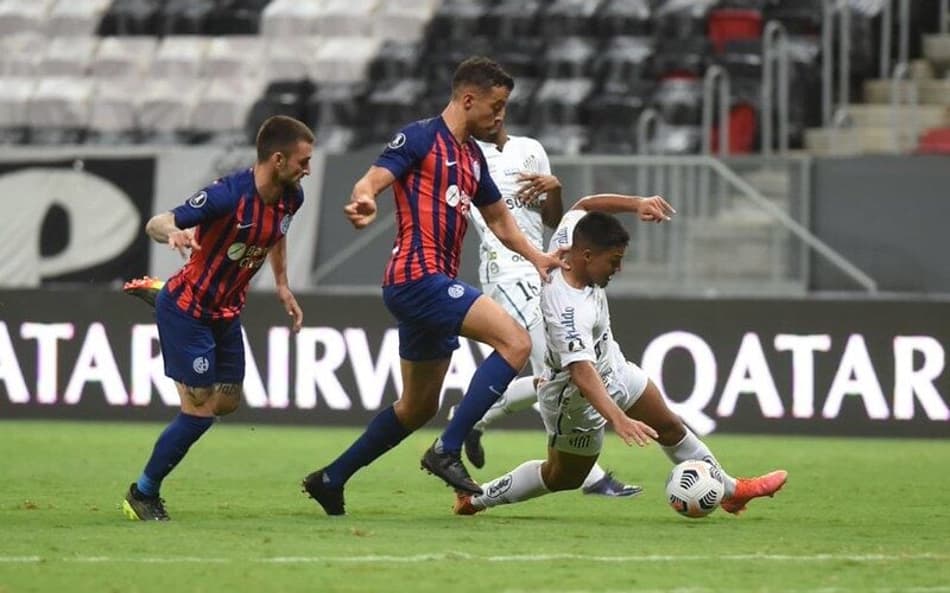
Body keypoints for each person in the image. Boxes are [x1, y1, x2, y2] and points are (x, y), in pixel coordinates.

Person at [301, 56, 565, 516]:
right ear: (467, 99)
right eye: (496, 106)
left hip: (434, 283)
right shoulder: (420, 136)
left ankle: (330, 478)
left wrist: (537, 256)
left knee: (417, 406)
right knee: (516, 343)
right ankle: (448, 447)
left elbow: (501, 220)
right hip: (415, 277)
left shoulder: (471, 157)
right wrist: (364, 198)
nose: (500, 117)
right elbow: (375, 177)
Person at [453, 202, 788, 517]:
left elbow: (584, 203)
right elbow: (581, 372)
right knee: (561, 476)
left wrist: (636, 203)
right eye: (613, 261)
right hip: (575, 399)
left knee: (669, 425)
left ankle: (732, 491)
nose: (618, 268)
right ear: (586, 255)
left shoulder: (571, 240)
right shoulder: (568, 309)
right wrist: (618, 419)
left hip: (614, 369)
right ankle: (476, 497)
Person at [121, 115, 313, 521]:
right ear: (277, 159)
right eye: (302, 161)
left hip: (226, 311)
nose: (307, 169)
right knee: (199, 412)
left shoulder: (291, 197)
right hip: (189, 310)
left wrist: (282, 284)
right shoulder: (226, 195)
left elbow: (278, 233)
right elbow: (159, 222)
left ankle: (159, 295)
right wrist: (173, 233)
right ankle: (142, 493)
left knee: (227, 402)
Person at [461, 122, 641, 497]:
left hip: (544, 264)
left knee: (553, 374)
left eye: (501, 106)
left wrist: (554, 188)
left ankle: (474, 418)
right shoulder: (467, 158)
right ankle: (590, 477)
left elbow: (554, 221)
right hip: (506, 273)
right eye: (491, 106)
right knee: (558, 370)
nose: (496, 115)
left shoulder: (531, 148)